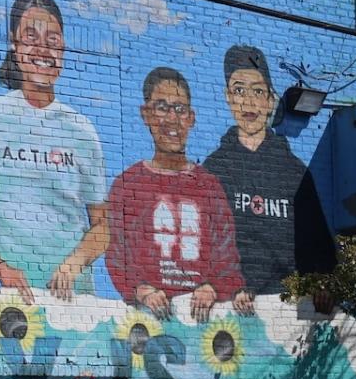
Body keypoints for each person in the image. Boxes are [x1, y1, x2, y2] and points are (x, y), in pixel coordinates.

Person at [0, 0, 107, 301]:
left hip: (75, 301)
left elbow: (102, 226)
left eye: (53, 39)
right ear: (14, 43)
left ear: (63, 47)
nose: (43, 49)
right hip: (5, 299)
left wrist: (73, 265)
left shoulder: (81, 129)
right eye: (31, 36)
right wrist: (2, 271)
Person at [104, 66, 250, 322]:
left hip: (206, 325)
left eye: (180, 109)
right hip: (146, 324)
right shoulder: (127, 185)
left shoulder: (209, 187)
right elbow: (118, 255)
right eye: (161, 107)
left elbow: (227, 256)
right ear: (145, 114)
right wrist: (142, 289)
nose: (172, 119)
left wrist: (214, 287)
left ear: (191, 118)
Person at [201, 44, 331, 297]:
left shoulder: (296, 173)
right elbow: (202, 245)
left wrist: (320, 283)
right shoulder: (213, 169)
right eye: (239, 90)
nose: (248, 101)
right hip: (228, 306)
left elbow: (319, 245)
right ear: (227, 97)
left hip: (288, 305)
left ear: (270, 100)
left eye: (257, 91)